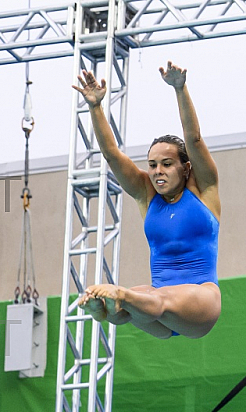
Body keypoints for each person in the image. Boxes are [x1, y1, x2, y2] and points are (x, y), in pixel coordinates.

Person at [74, 62, 221, 339]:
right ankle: (100, 308)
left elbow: (195, 139)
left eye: (167, 164)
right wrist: (95, 107)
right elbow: (112, 155)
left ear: (186, 168)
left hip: (200, 301)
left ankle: (117, 297)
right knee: (132, 304)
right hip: (157, 309)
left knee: (145, 297)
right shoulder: (147, 195)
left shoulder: (204, 189)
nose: (157, 171)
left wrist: (180, 88)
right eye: (152, 165)